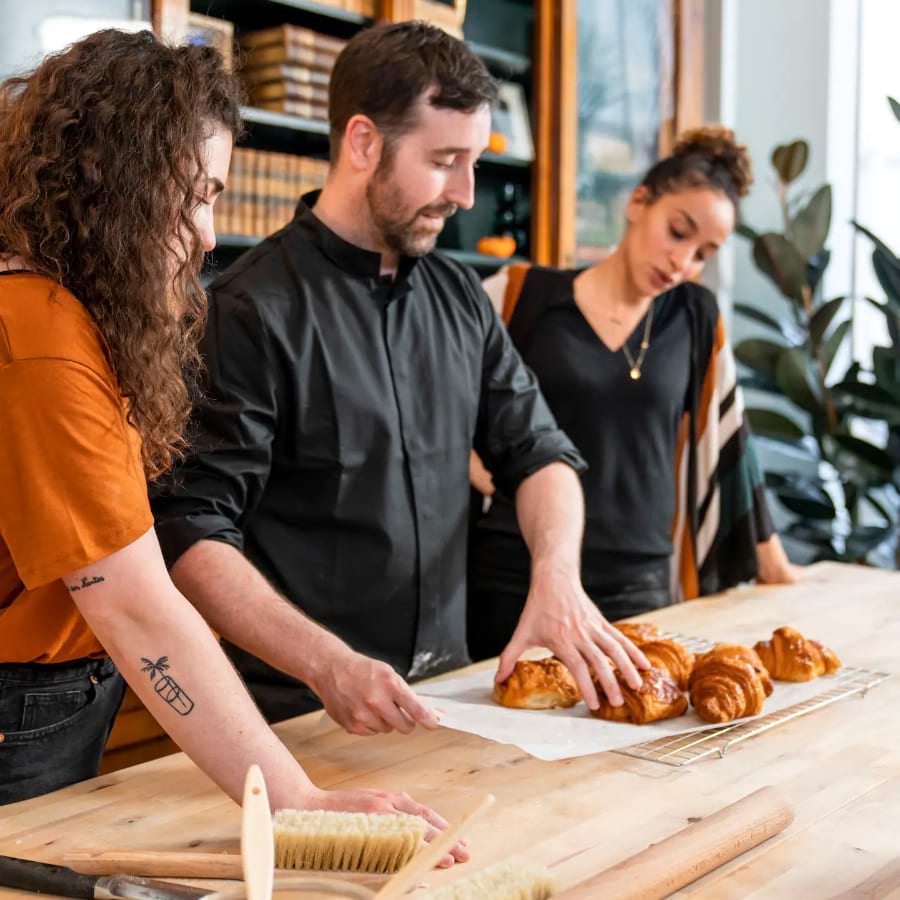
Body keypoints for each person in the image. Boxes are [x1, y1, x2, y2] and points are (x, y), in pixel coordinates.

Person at [0, 31, 467, 857]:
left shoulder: (58, 306)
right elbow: (136, 605)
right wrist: (295, 802)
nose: (210, 234)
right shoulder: (37, 331)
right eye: (192, 196)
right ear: (116, 182)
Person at [150, 20, 650, 730]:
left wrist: (558, 581)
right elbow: (190, 529)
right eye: (446, 160)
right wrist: (328, 664)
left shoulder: (460, 301)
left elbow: (540, 456)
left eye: (475, 161)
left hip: (450, 700)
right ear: (362, 142)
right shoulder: (249, 310)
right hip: (302, 716)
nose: (468, 193)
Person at [468, 127, 798, 662]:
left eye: (703, 253)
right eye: (677, 231)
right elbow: (431, 404)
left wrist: (778, 570)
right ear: (638, 201)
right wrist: (477, 467)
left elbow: (732, 448)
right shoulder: (520, 294)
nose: (682, 262)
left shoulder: (695, 316)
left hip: (640, 584)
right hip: (515, 576)